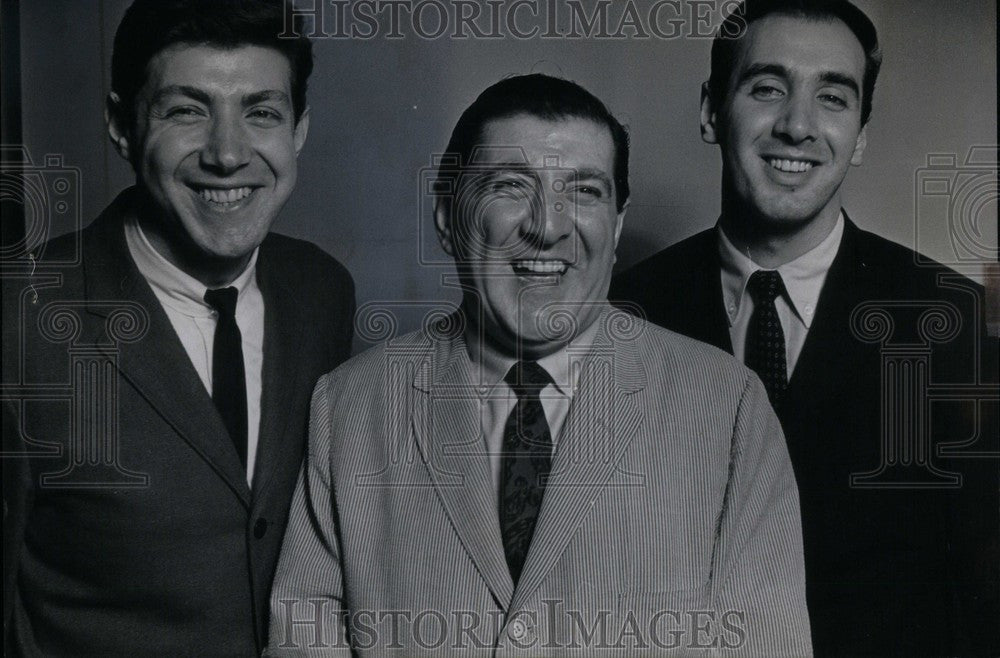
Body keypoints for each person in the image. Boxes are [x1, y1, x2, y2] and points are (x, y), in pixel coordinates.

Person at [268, 73, 811, 655]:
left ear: (618, 225)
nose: (547, 226)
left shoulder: (727, 408)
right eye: (509, 186)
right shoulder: (349, 407)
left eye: (584, 191)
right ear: (449, 219)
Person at [611, 1, 999, 654]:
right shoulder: (624, 315)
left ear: (862, 133)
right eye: (767, 88)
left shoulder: (954, 324)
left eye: (833, 98)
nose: (798, 125)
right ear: (712, 111)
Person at [1, 0, 355, 654]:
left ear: (298, 131)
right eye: (186, 111)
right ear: (121, 125)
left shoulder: (322, 291)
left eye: (262, 112)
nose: (227, 153)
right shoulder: (20, 317)